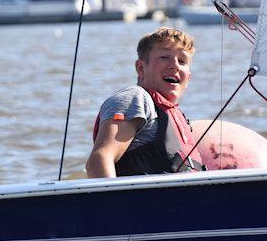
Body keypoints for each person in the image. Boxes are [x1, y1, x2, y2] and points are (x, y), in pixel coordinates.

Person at [86, 27, 204, 178]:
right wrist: (113, 202)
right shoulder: (136, 99)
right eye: (164, 57)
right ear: (141, 68)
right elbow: (99, 160)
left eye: (182, 61)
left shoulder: (180, 120)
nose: (174, 65)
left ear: (188, 78)